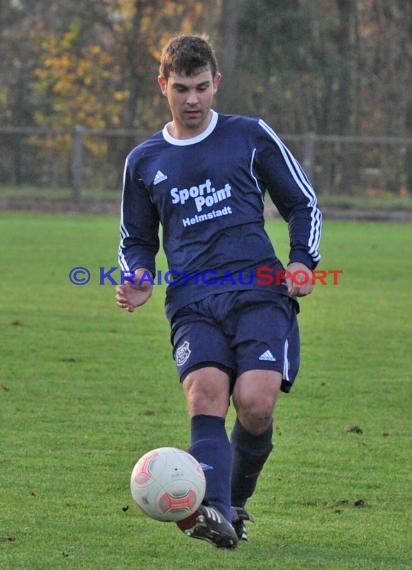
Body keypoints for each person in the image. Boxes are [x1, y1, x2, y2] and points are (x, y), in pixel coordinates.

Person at [116, 34, 322, 549]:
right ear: (163, 84)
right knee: (205, 394)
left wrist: (302, 260)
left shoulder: (249, 136)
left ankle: (232, 502)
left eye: (202, 88)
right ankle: (214, 512)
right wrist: (139, 274)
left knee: (255, 404)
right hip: (191, 300)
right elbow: (137, 239)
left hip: (258, 290)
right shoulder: (144, 161)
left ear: (217, 84)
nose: (192, 100)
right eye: (181, 87)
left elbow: (302, 203)